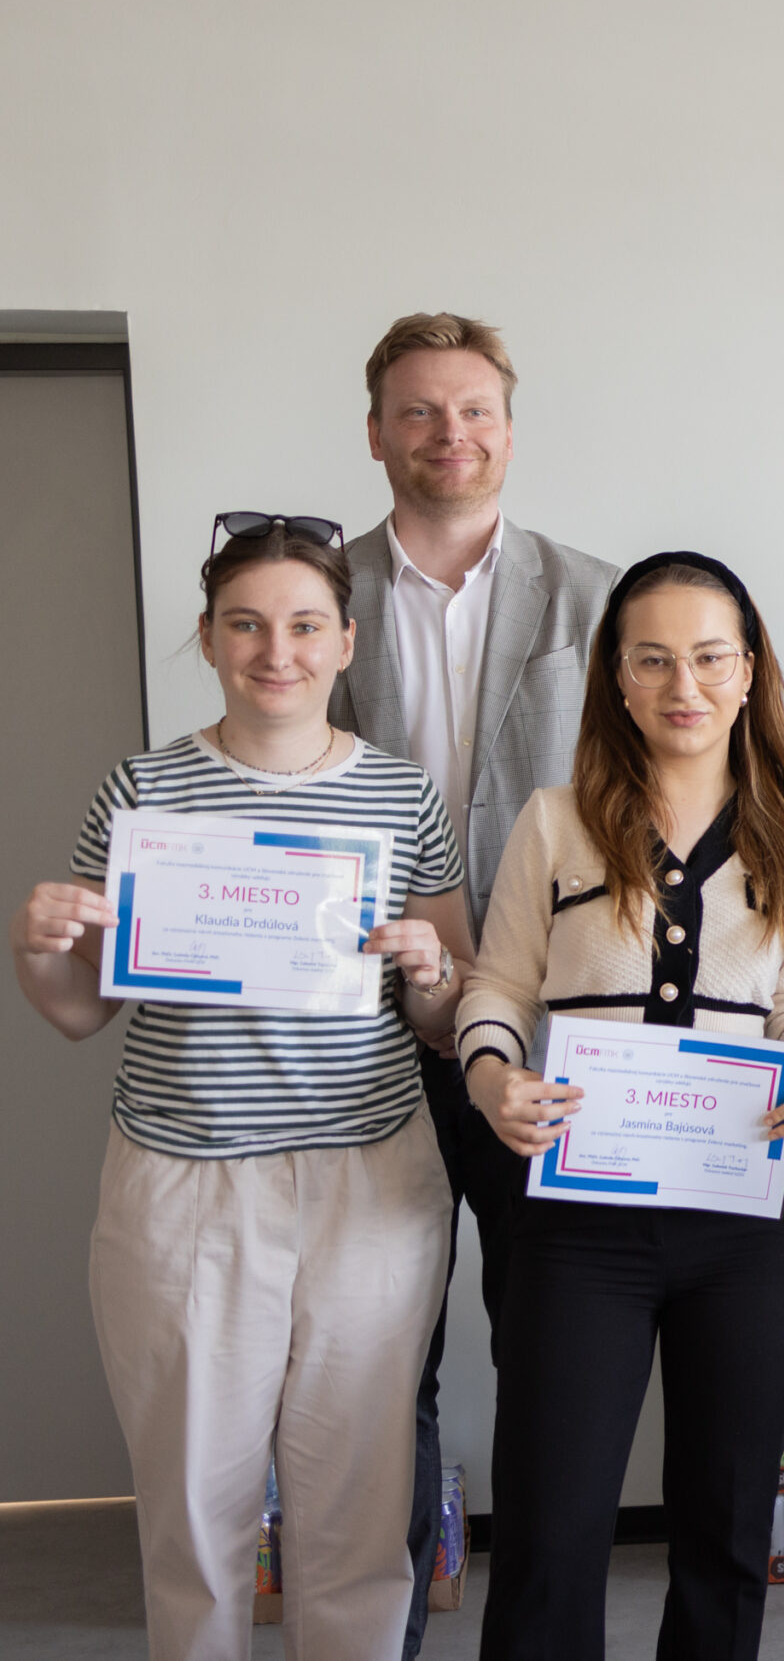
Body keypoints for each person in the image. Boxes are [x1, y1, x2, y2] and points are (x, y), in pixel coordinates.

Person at [11, 518, 472, 1658]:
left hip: (371, 1180)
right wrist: (39, 949)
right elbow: (81, 1011)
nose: (278, 651)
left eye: (306, 625)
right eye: (247, 624)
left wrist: (431, 969)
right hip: (183, 1182)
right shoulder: (144, 788)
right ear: (210, 637)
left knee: (360, 1510)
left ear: (346, 640)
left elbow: (447, 1019)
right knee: (193, 1510)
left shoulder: (402, 794)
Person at [456, 552, 784, 1661]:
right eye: (653, 659)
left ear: (749, 670)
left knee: (726, 1533)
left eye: (711, 657)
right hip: (579, 1223)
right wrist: (491, 1079)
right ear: (616, 678)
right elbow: (497, 986)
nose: (686, 685)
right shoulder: (553, 822)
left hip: (745, 1218)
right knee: (550, 1528)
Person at [328, 309, 619, 1656]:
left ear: (509, 424)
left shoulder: (595, 595)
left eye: (475, 409)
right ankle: (377, 1628)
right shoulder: (315, 590)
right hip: (351, 1039)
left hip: (546, 1038)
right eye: (420, 410)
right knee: (374, 1366)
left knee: (548, 1354)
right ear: (375, 430)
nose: (450, 434)